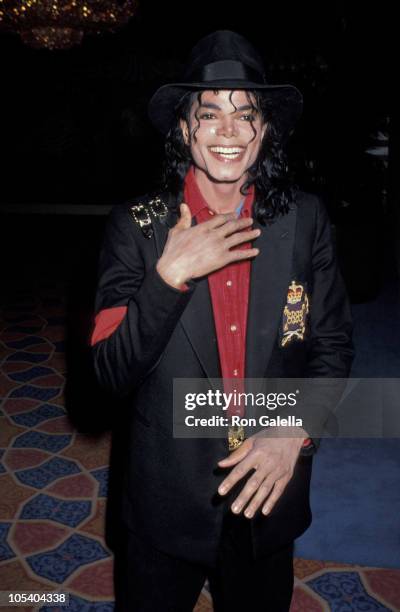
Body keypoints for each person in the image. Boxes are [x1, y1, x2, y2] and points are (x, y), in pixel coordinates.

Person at [90, 30, 354, 612]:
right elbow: (107, 374)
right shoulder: (137, 227)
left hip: (268, 494)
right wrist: (168, 278)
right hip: (165, 502)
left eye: (246, 115)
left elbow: (331, 345)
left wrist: (294, 432)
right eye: (209, 115)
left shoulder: (306, 220)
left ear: (265, 130)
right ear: (185, 130)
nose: (228, 132)